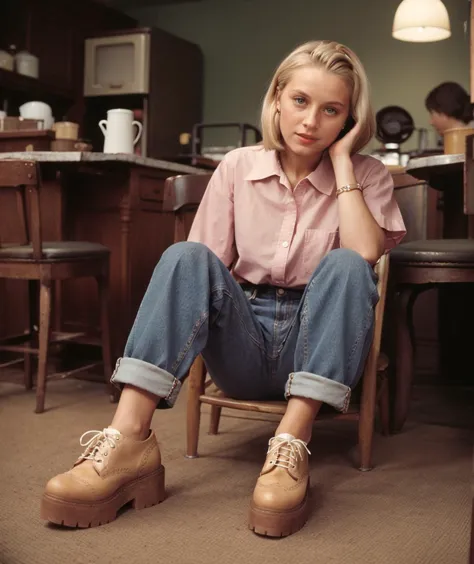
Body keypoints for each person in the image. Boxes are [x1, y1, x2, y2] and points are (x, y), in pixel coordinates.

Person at [41, 40, 406, 538]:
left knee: (347, 264)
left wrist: (343, 162)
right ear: (277, 98)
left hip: (318, 351)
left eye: (331, 110)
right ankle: (128, 439)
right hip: (243, 345)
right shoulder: (237, 166)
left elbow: (367, 252)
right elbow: (197, 275)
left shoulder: (367, 174)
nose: (310, 121)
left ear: (349, 120)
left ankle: (289, 447)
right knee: (186, 255)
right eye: (300, 100)